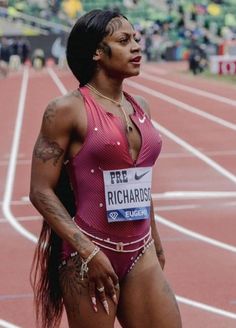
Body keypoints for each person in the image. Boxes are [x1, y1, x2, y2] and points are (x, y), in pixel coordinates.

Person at [30, 9, 182, 328]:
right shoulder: (65, 110)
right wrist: (88, 252)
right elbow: (40, 191)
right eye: (124, 41)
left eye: (136, 39)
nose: (137, 47)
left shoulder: (141, 106)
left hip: (142, 252)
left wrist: (155, 240)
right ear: (98, 52)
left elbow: (139, 181)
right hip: (88, 254)